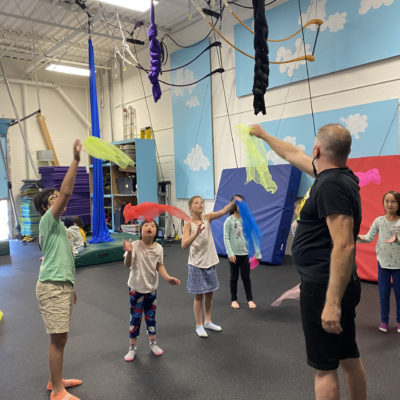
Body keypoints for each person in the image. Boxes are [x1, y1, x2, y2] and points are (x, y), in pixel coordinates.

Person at [250, 124, 367, 400]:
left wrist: (332, 303)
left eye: (312, 148)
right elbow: (292, 154)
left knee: (324, 368)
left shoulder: (331, 186)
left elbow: (345, 244)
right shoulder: (336, 176)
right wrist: (264, 135)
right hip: (332, 283)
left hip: (325, 288)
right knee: (348, 355)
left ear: (317, 150)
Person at [33, 140, 83, 400]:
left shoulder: (59, 228)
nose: (59, 200)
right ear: (45, 207)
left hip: (60, 285)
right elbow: (65, 193)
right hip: (52, 286)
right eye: (53, 199)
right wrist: (74, 160)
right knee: (58, 339)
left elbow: (62, 258)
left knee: (60, 338)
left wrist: (70, 286)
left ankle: (55, 381)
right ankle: (58, 391)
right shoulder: (48, 220)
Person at [122, 220, 180, 362]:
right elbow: (127, 264)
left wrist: (167, 278)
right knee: (135, 318)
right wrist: (129, 252)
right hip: (136, 288)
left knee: (151, 317)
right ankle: (132, 347)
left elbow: (159, 265)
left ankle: (153, 343)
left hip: (151, 288)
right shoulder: (135, 246)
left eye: (153, 226)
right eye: (146, 225)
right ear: (141, 230)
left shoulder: (159, 248)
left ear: (156, 231)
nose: (149, 227)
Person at [182, 195, 236, 337]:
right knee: (198, 295)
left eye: (202, 202)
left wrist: (233, 202)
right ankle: (198, 325)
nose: (200, 204)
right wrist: (196, 233)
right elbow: (183, 245)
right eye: (196, 203)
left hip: (209, 261)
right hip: (196, 264)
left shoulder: (208, 217)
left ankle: (208, 321)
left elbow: (224, 211)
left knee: (209, 293)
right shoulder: (188, 224)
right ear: (190, 207)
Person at [357, 190, 400, 333]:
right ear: (383, 203)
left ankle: (399, 321)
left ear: (398, 204)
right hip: (383, 264)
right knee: (383, 294)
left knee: (399, 295)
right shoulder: (379, 221)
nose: (390, 204)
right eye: (387, 201)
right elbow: (369, 237)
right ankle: (384, 321)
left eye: (393, 201)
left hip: (398, 265)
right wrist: (354, 236)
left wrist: (397, 239)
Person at [223, 194, 259, 309]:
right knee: (234, 277)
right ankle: (234, 299)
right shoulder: (229, 220)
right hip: (234, 255)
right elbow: (226, 238)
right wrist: (230, 253)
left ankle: (250, 299)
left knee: (246, 277)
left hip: (245, 254)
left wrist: (257, 253)